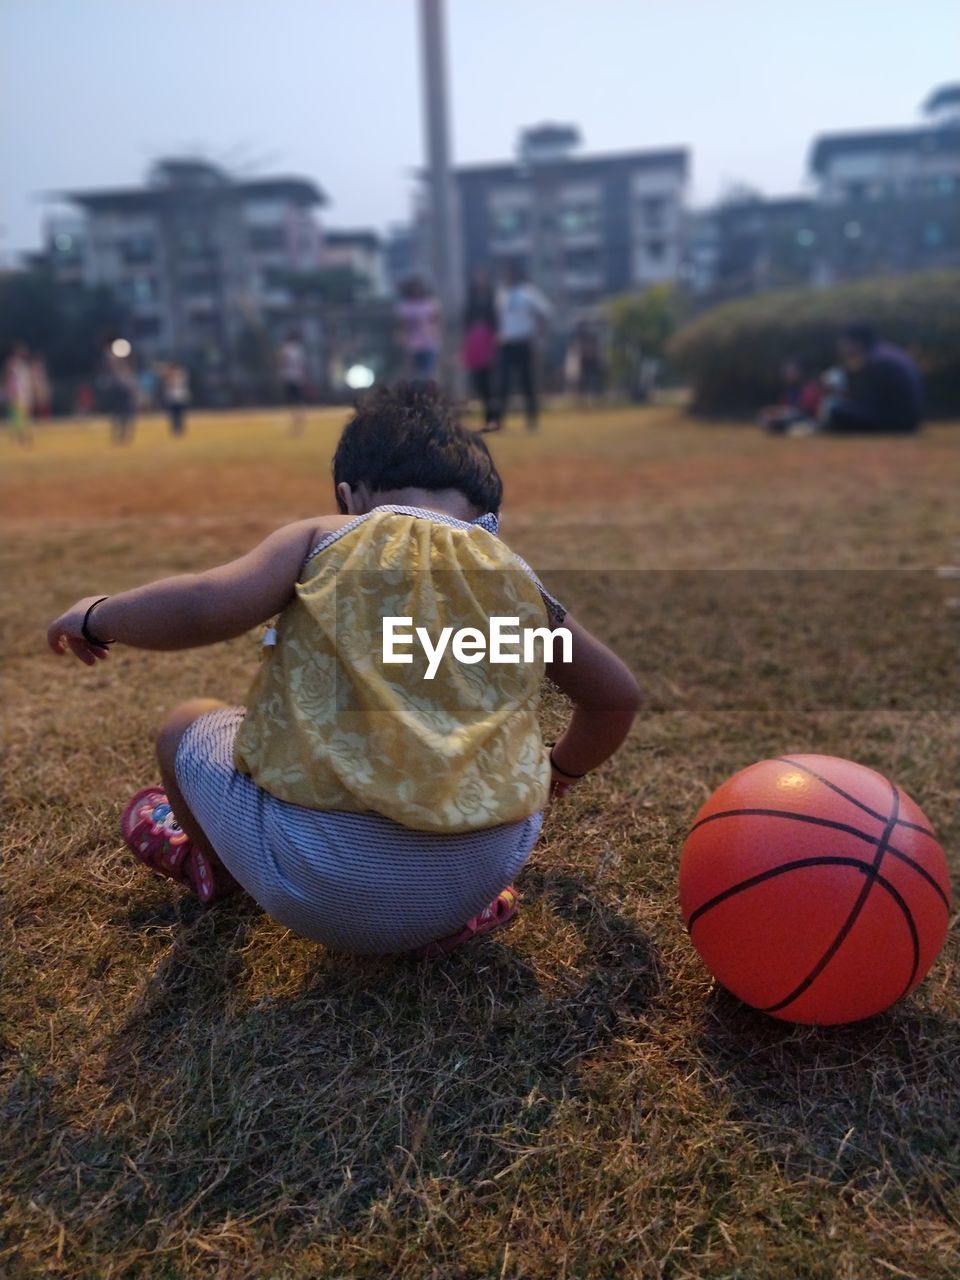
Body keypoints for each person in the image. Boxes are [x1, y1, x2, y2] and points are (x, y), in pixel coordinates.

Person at [46, 383, 639, 957]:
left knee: (185, 725)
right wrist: (558, 769)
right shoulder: (515, 577)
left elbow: (205, 606)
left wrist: (99, 615)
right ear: (488, 516)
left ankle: (217, 869)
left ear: (350, 496)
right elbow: (615, 698)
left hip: (322, 882)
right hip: (481, 871)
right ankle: (447, 912)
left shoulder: (327, 536)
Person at [822, 324, 924, 434]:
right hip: (910, 418)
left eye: (845, 343)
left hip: (899, 420)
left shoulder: (876, 361)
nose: (842, 348)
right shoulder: (886, 354)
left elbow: (870, 402)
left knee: (837, 411)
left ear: (857, 342)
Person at [494, 262, 550, 432]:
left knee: (528, 384)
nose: (508, 276)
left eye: (511, 273)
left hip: (524, 343)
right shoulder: (501, 294)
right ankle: (499, 421)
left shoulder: (528, 292)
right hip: (506, 344)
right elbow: (498, 319)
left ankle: (531, 421)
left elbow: (545, 313)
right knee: (503, 384)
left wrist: (539, 335)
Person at [461, 268, 500, 429]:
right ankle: (488, 418)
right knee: (480, 384)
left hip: (490, 344)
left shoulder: (494, 300)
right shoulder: (470, 301)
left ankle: (495, 417)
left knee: (492, 384)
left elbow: (497, 323)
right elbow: (466, 324)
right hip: (476, 345)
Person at [759, 357, 824, 435]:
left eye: (790, 370)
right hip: (792, 417)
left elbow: (807, 410)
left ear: (799, 371)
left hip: (805, 419)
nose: (787, 373)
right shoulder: (789, 391)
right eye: (786, 371)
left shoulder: (808, 388)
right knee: (766, 415)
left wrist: (783, 412)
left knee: (784, 418)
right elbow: (784, 407)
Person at [396, 276, 441, 383]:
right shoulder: (405, 307)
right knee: (415, 375)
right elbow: (402, 326)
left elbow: (437, 321)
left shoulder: (430, 304)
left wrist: (436, 335)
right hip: (413, 345)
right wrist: (404, 340)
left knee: (429, 373)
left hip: (429, 343)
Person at [102, 340, 138, 445]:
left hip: (124, 388)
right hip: (120, 388)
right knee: (119, 413)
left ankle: (124, 435)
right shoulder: (117, 361)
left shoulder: (127, 364)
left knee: (125, 413)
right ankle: (119, 436)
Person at [3, 345, 35, 446]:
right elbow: (7, 378)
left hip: (22, 394)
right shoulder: (12, 364)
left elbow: (26, 381)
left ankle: (21, 436)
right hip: (16, 394)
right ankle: (21, 437)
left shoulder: (23, 366)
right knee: (17, 417)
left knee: (22, 416)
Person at [278, 332, 308, 436]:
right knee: (298, 401)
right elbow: (301, 365)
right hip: (296, 377)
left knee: (293, 402)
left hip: (289, 377)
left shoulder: (285, 349)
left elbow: (283, 362)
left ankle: (296, 422)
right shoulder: (298, 349)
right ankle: (299, 422)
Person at [161, 361, 191, 437]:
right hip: (172, 399)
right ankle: (175, 430)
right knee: (173, 416)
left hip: (179, 398)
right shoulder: (170, 375)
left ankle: (179, 429)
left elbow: (176, 382)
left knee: (179, 415)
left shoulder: (179, 374)